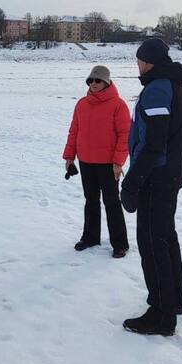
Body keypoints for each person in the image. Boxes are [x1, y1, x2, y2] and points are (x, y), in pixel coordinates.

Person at [120, 38, 182, 337]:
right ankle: (174, 300)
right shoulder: (171, 83)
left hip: (156, 176)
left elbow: (155, 142)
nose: (137, 65)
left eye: (139, 60)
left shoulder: (159, 87)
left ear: (147, 61)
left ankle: (161, 314)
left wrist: (133, 180)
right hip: (167, 174)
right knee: (164, 237)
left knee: (151, 243)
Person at [63, 65, 131, 258]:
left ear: (106, 82)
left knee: (111, 202)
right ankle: (91, 237)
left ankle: (120, 244)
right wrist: (69, 156)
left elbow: (125, 135)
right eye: (90, 80)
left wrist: (118, 162)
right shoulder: (82, 104)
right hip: (86, 161)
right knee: (90, 200)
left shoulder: (118, 105)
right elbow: (74, 131)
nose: (93, 84)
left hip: (108, 164)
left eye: (98, 80)